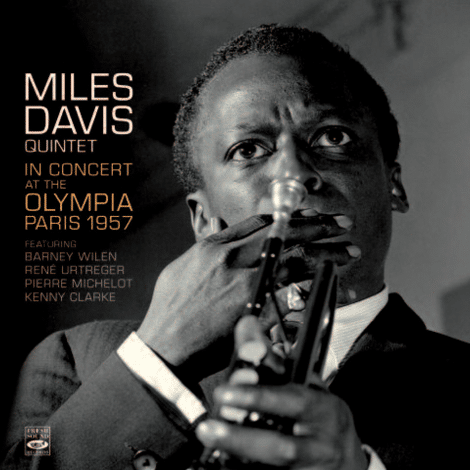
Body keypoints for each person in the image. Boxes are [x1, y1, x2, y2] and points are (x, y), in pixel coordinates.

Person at [5, 24, 470, 470]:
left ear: (394, 186)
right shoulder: (75, 360)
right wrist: (156, 357)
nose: (293, 176)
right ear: (204, 219)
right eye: (247, 150)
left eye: (333, 137)